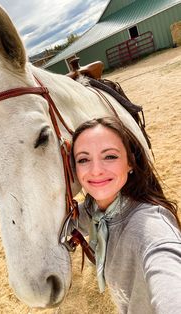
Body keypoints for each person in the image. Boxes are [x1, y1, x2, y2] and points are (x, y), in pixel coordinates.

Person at [70, 116, 181, 314]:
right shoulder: (94, 209)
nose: (96, 171)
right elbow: (74, 221)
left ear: (131, 162)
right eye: (84, 159)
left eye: (110, 156)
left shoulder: (152, 229)